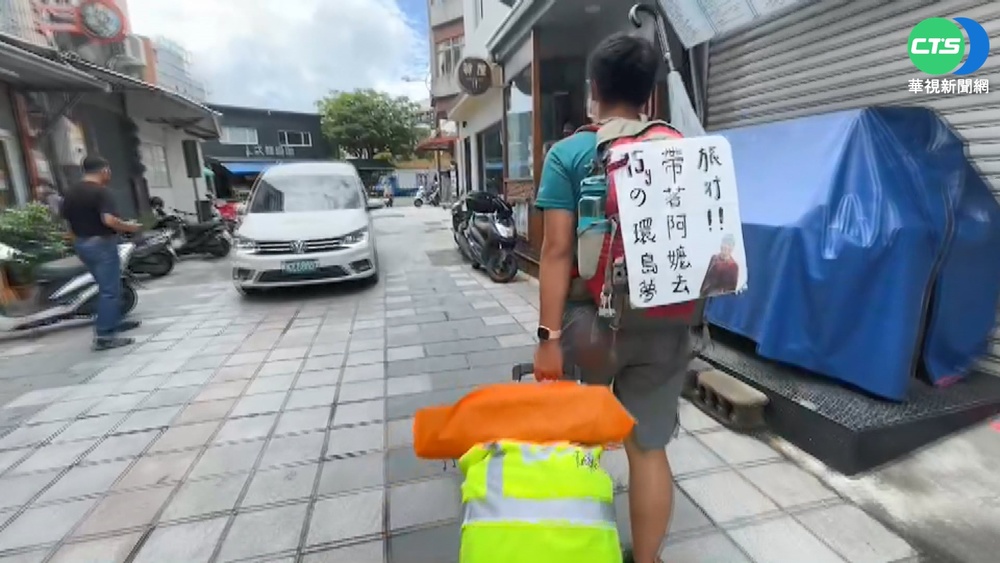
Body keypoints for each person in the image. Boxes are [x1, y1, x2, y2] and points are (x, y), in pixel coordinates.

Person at [533, 33, 682, 563]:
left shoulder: (569, 153)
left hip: (590, 321)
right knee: (648, 448)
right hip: (665, 321)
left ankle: (581, 547)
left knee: (582, 443)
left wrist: (548, 338)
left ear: (593, 89)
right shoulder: (677, 147)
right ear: (650, 94)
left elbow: (556, 251)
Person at [61, 156, 142, 351]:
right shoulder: (101, 192)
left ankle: (113, 321)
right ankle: (104, 336)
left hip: (82, 244)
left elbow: (65, 221)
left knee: (106, 287)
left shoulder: (71, 192)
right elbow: (109, 220)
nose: (109, 174)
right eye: (109, 171)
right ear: (104, 171)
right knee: (109, 291)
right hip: (102, 245)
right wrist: (129, 227)